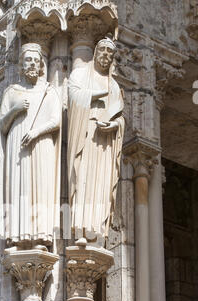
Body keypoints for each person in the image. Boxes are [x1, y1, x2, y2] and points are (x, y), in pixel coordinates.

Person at [0, 43, 61, 249]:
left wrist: (36, 132)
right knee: (19, 188)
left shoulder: (48, 91)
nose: (32, 64)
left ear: (42, 64)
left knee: (40, 188)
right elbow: (3, 126)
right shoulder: (11, 92)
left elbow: (56, 121)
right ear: (21, 66)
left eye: (36, 60)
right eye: (28, 60)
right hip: (18, 145)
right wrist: (15, 110)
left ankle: (40, 236)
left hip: (41, 145)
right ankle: (17, 236)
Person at [68, 37, 125, 244]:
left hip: (106, 142)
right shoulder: (80, 75)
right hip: (87, 135)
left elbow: (119, 116)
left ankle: (95, 229)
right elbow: (73, 97)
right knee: (83, 179)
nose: (106, 55)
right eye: (102, 50)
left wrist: (115, 125)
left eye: (110, 53)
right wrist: (97, 94)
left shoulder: (115, 86)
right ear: (94, 52)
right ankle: (81, 229)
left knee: (101, 182)